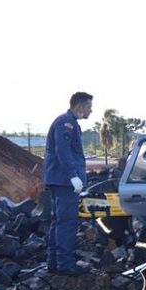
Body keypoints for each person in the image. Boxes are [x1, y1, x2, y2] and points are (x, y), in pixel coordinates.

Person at [43, 91, 93, 276]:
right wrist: (73, 176)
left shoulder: (69, 122)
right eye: (89, 106)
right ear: (79, 106)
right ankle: (65, 265)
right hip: (64, 181)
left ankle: (54, 263)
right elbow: (62, 151)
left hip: (59, 179)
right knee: (67, 223)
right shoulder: (67, 123)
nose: (91, 110)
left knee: (58, 222)